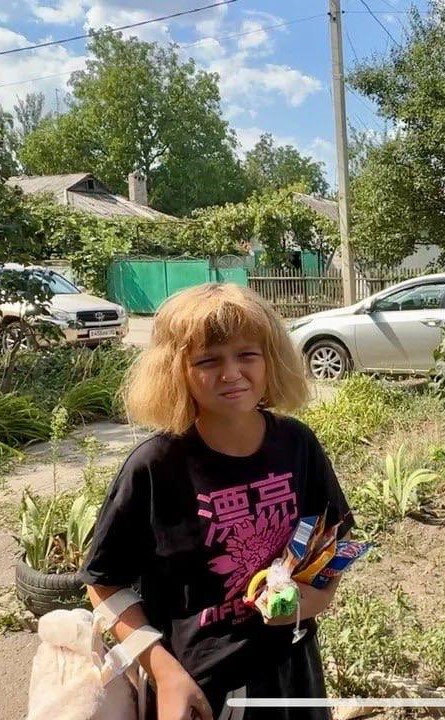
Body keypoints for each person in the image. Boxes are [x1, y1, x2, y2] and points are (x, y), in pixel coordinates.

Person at [79, 283, 353, 720]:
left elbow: (332, 543)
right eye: (208, 360)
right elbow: (103, 583)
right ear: (176, 372)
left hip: (293, 669)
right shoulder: (154, 466)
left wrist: (316, 600)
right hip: (200, 689)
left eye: (247, 354)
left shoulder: (297, 444)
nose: (231, 373)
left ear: (271, 359)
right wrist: (164, 671)